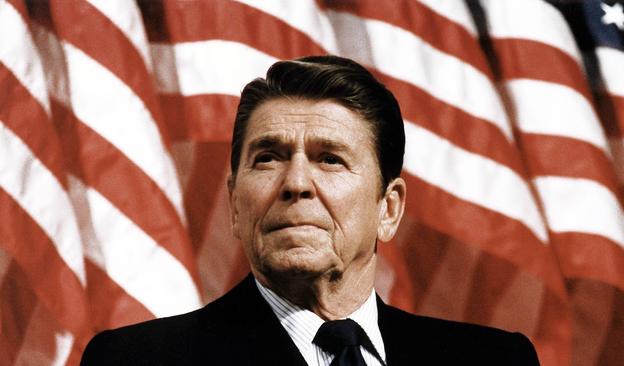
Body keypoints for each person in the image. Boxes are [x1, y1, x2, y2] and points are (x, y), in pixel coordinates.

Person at [80, 55, 540, 365]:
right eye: (268, 158)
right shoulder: (137, 359)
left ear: (389, 208)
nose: (296, 183)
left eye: (330, 158)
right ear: (235, 204)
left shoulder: (496, 359)